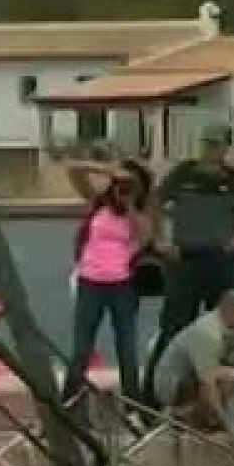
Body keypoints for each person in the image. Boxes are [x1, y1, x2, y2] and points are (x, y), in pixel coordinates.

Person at [146, 125, 234, 399]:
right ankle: (153, 398)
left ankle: (214, 402)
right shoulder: (183, 174)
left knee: (225, 332)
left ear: (226, 148)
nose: (210, 150)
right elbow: (153, 200)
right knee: (173, 328)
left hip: (222, 260)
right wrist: (159, 239)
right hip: (185, 260)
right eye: (207, 144)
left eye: (216, 145)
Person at [63, 157, 155, 404]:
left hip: (122, 285)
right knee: (82, 347)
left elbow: (146, 237)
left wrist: (131, 204)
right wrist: (108, 170)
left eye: (128, 185)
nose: (121, 190)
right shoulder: (97, 204)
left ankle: (133, 405)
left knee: (127, 348)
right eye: (118, 185)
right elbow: (74, 170)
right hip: (90, 282)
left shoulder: (137, 215)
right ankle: (70, 401)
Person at [150, 289, 234, 435]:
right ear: (230, 311)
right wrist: (229, 427)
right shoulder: (208, 334)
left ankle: (203, 417)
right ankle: (184, 415)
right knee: (230, 377)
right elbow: (208, 383)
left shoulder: (230, 331)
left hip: (194, 376)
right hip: (172, 383)